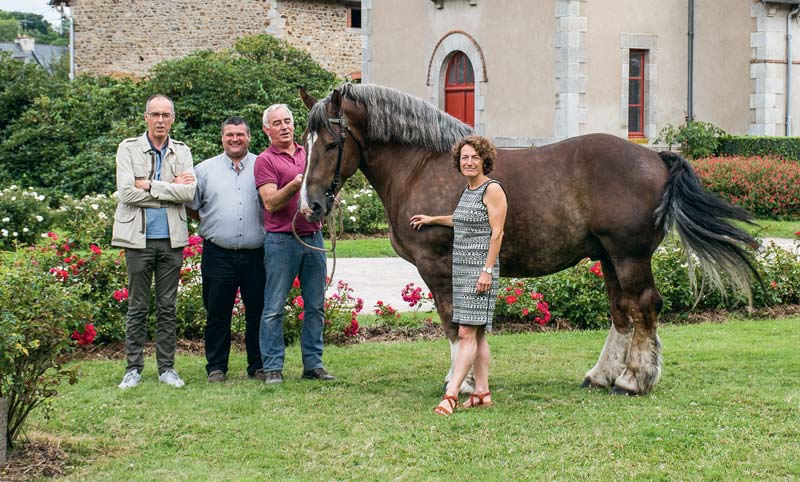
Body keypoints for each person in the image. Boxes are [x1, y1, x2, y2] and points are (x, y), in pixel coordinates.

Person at [410, 135, 508, 416]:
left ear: (484, 160)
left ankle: (451, 394)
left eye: (475, 157)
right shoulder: (469, 190)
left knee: (466, 332)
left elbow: (497, 232)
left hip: (481, 269)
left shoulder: (492, 190)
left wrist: (487, 271)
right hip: (463, 269)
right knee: (477, 335)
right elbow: (462, 219)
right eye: (464, 157)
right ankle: (482, 393)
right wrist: (433, 219)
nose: (469, 162)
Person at [112, 94, 196, 389]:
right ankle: (133, 368)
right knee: (137, 306)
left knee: (167, 307)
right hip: (137, 239)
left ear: (173, 119)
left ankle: (167, 369)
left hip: (172, 239)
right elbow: (126, 193)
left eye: (166, 115)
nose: (160, 120)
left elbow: (188, 194)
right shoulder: (128, 148)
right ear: (145, 117)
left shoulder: (182, 151)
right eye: (155, 114)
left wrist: (148, 185)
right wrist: (169, 189)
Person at [254, 104, 335, 384]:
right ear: (267, 129)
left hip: (313, 237)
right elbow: (270, 201)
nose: (284, 127)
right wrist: (295, 186)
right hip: (281, 241)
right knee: (274, 306)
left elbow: (323, 185)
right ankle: (273, 367)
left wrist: (323, 208)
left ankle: (313, 365)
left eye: (287, 121)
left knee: (315, 306)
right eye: (277, 123)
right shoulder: (265, 160)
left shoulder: (307, 152)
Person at [188, 117, 266, 383]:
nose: (235, 139)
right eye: (230, 134)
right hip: (218, 253)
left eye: (240, 134)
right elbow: (193, 206)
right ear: (222, 138)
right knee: (217, 312)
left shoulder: (262, 165)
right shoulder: (205, 170)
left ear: (249, 137)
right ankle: (217, 367)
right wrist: (215, 223)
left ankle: (258, 365)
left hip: (257, 253)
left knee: (257, 311)